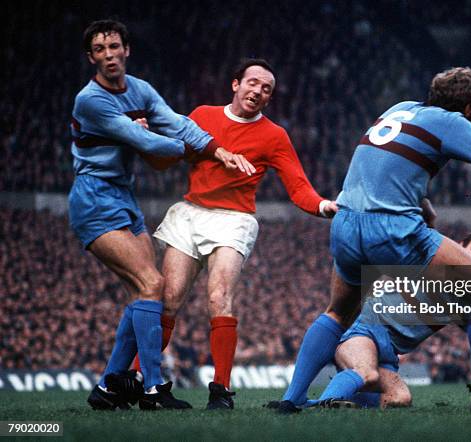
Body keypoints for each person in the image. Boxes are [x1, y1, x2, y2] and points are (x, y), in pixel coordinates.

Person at [277, 67, 471, 413]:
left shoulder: (398, 108)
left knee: (338, 312)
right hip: (390, 228)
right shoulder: (452, 122)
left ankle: (292, 400)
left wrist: (424, 204)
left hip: (345, 222)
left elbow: (383, 169)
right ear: (469, 108)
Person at [130, 58, 337, 409]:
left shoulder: (274, 136)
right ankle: (138, 379)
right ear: (235, 84)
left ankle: (221, 390)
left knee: (219, 297)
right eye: (253, 83)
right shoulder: (203, 115)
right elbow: (169, 158)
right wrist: (144, 137)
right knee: (169, 300)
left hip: (234, 218)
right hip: (190, 213)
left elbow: (298, 186)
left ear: (270, 98)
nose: (258, 91)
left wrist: (321, 206)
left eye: (266, 88)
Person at [70, 19, 250, 411]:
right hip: (95, 199)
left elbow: (177, 123)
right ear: (91, 58)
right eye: (99, 50)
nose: (109, 55)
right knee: (152, 284)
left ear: (126, 49)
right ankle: (152, 388)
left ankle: (108, 387)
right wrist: (185, 147)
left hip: (124, 197)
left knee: (142, 292)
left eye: (114, 46)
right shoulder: (91, 100)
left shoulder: (141, 90)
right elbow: (145, 140)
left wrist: (216, 150)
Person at [314, 229, 471, 413]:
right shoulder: (429, 260)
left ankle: (342, 403)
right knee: (363, 370)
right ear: (459, 248)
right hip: (361, 336)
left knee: (400, 399)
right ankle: (322, 405)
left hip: (387, 359)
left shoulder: (463, 302)